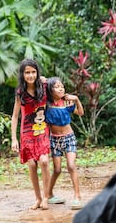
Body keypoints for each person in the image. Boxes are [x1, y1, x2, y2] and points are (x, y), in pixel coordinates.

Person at [11, 59, 51, 210]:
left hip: (42, 129)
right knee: (32, 164)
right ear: (22, 74)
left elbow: (59, 88)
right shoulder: (20, 92)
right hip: (27, 132)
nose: (30, 75)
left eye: (33, 72)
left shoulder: (44, 86)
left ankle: (46, 197)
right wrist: (14, 139)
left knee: (44, 161)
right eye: (27, 72)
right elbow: (15, 116)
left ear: (37, 72)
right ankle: (38, 198)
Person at [45, 77, 84, 210]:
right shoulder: (46, 104)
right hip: (54, 140)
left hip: (69, 138)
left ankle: (77, 196)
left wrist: (77, 100)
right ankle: (49, 194)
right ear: (50, 90)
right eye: (57, 87)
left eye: (62, 86)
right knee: (57, 169)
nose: (61, 88)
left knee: (71, 166)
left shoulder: (67, 103)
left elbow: (80, 112)